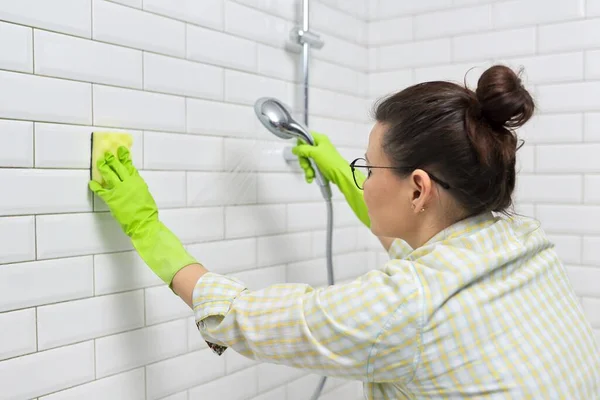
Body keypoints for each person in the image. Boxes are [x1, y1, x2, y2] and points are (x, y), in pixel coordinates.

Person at [90, 64, 600, 399]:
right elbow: (424, 250)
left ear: (418, 189)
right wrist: (340, 173)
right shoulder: (523, 242)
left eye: (369, 168)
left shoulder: (404, 305)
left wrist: (145, 225)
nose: (362, 177)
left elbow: (242, 317)